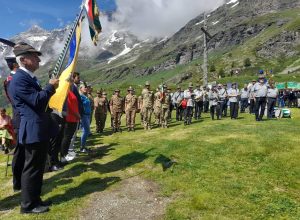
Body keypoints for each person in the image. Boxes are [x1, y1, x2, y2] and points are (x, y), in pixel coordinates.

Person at [8, 42, 59, 213]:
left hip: (38, 129)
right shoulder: (20, 79)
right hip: (32, 130)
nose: (38, 59)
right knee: (32, 169)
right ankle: (28, 205)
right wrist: (50, 87)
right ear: (23, 60)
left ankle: (35, 200)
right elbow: (37, 100)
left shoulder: (26, 77)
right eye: (34, 56)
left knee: (38, 168)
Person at [60, 83, 81, 161]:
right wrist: (78, 115)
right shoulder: (67, 93)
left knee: (69, 137)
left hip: (74, 118)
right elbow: (70, 106)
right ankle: (63, 155)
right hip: (70, 118)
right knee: (67, 137)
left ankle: (65, 154)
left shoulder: (71, 92)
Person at [79, 83, 91, 152]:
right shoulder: (80, 96)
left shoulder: (85, 96)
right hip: (84, 115)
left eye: (86, 87)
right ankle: (82, 147)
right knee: (86, 131)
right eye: (84, 87)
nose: (86, 88)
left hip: (88, 115)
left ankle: (83, 147)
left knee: (85, 131)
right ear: (80, 88)